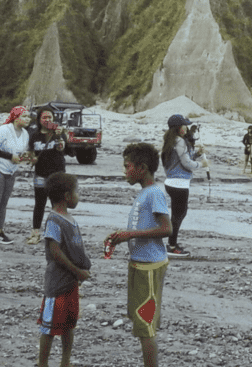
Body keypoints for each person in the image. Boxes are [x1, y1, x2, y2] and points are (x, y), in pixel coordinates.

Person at [105, 143, 172, 367]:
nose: (124, 171)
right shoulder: (144, 193)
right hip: (138, 264)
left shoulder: (154, 193)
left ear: (141, 168)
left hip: (150, 267)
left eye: (127, 166)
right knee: (139, 320)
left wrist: (131, 234)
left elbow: (166, 229)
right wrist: (123, 236)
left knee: (146, 326)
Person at [37, 172, 92, 367]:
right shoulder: (54, 220)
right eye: (77, 192)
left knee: (69, 324)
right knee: (49, 327)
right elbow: (55, 250)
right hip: (58, 283)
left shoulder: (69, 218)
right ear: (67, 196)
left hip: (70, 283)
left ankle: (65, 362)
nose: (78, 195)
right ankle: (42, 363)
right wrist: (77, 271)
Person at [0, 105, 31, 247]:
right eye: (24, 116)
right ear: (16, 118)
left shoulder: (25, 134)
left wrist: (24, 157)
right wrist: (10, 156)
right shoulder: (3, 130)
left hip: (11, 170)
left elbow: (20, 151)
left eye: (29, 116)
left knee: (4, 202)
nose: (28, 119)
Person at [160, 114, 208, 258]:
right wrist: (202, 164)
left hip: (172, 182)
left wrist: (197, 154)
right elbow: (186, 164)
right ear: (178, 128)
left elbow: (183, 159)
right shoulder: (180, 141)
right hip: (179, 184)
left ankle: (172, 244)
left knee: (177, 215)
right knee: (178, 215)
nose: (186, 128)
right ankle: (172, 246)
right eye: (184, 125)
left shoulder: (170, 140)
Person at [27, 108, 67, 245]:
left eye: (50, 117)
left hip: (57, 173)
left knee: (57, 204)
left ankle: (58, 234)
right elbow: (31, 153)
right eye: (44, 118)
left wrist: (60, 137)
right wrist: (32, 159)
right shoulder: (34, 135)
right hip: (40, 173)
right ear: (39, 120)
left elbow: (64, 149)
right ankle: (35, 233)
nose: (48, 120)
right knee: (39, 204)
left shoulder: (59, 133)